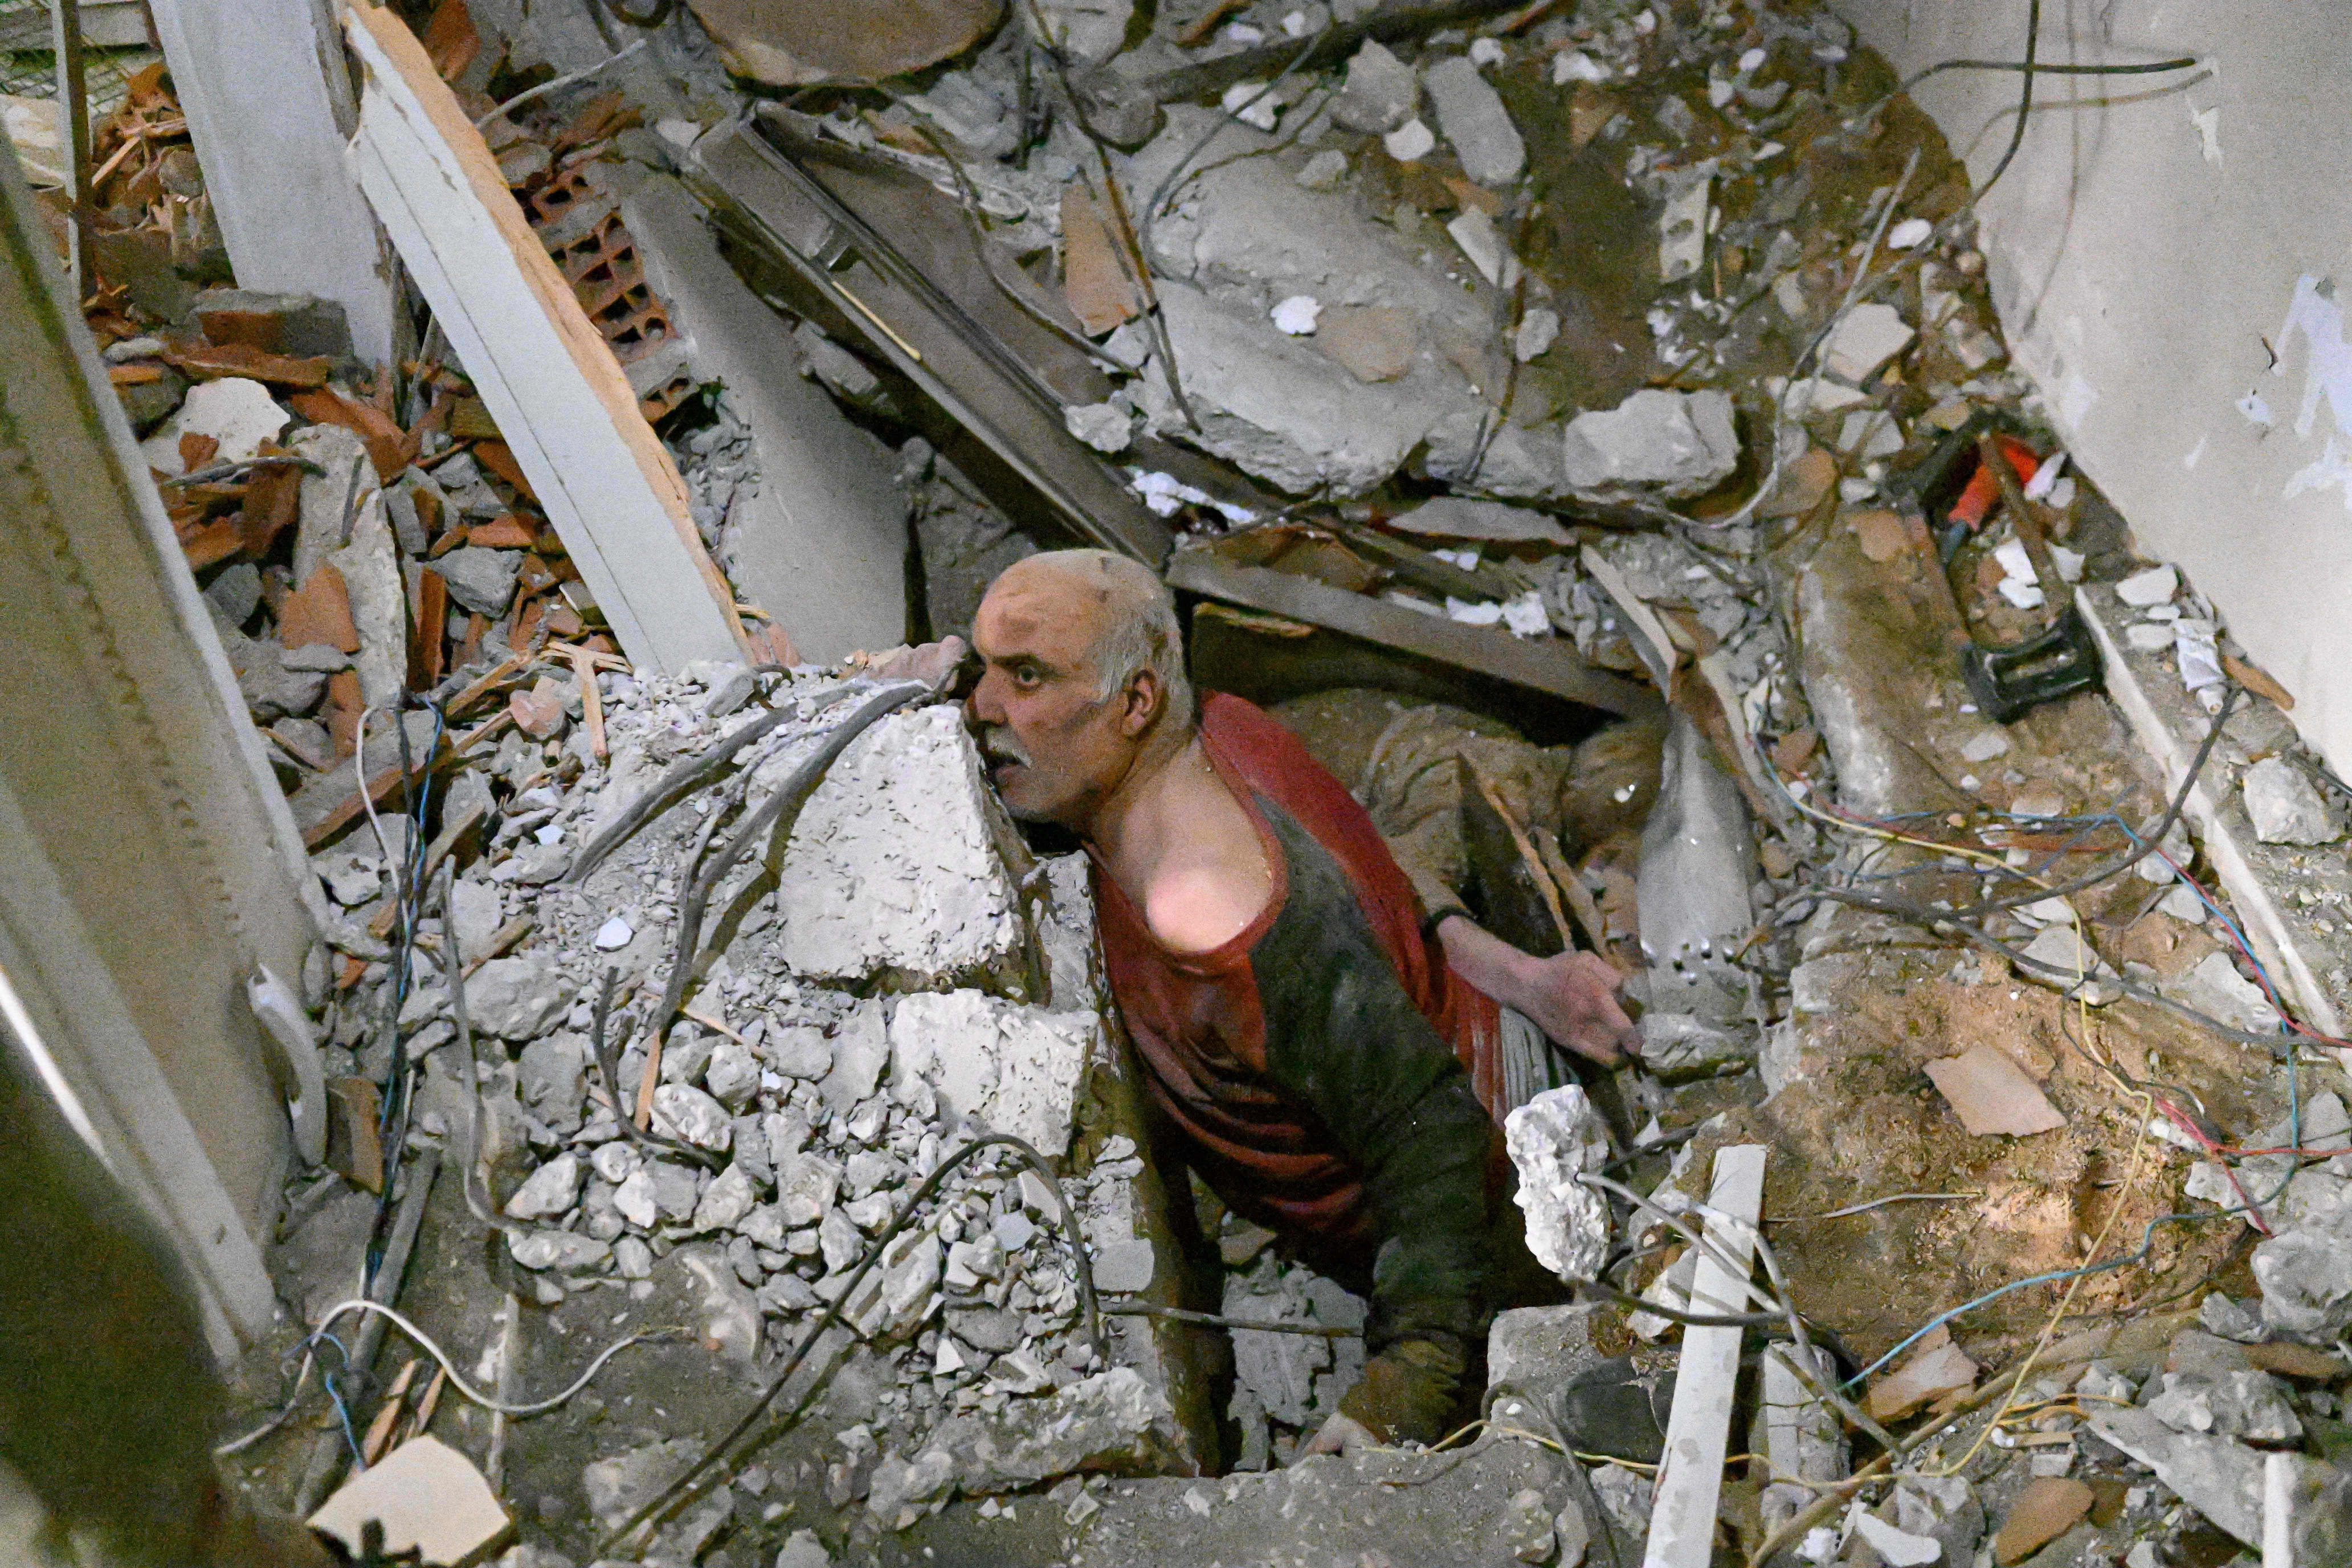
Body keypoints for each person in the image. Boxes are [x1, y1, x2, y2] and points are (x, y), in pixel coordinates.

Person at [963, 549, 1639, 1455]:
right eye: (985, 671)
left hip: (1501, 1213)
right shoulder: (1231, 728)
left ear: (1134, 705)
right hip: (1494, 1055)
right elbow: (1381, 893)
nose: (981, 708)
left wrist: (1405, 1385)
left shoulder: (1211, 915)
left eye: (1028, 677)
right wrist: (1528, 979)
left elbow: (1432, 1146)